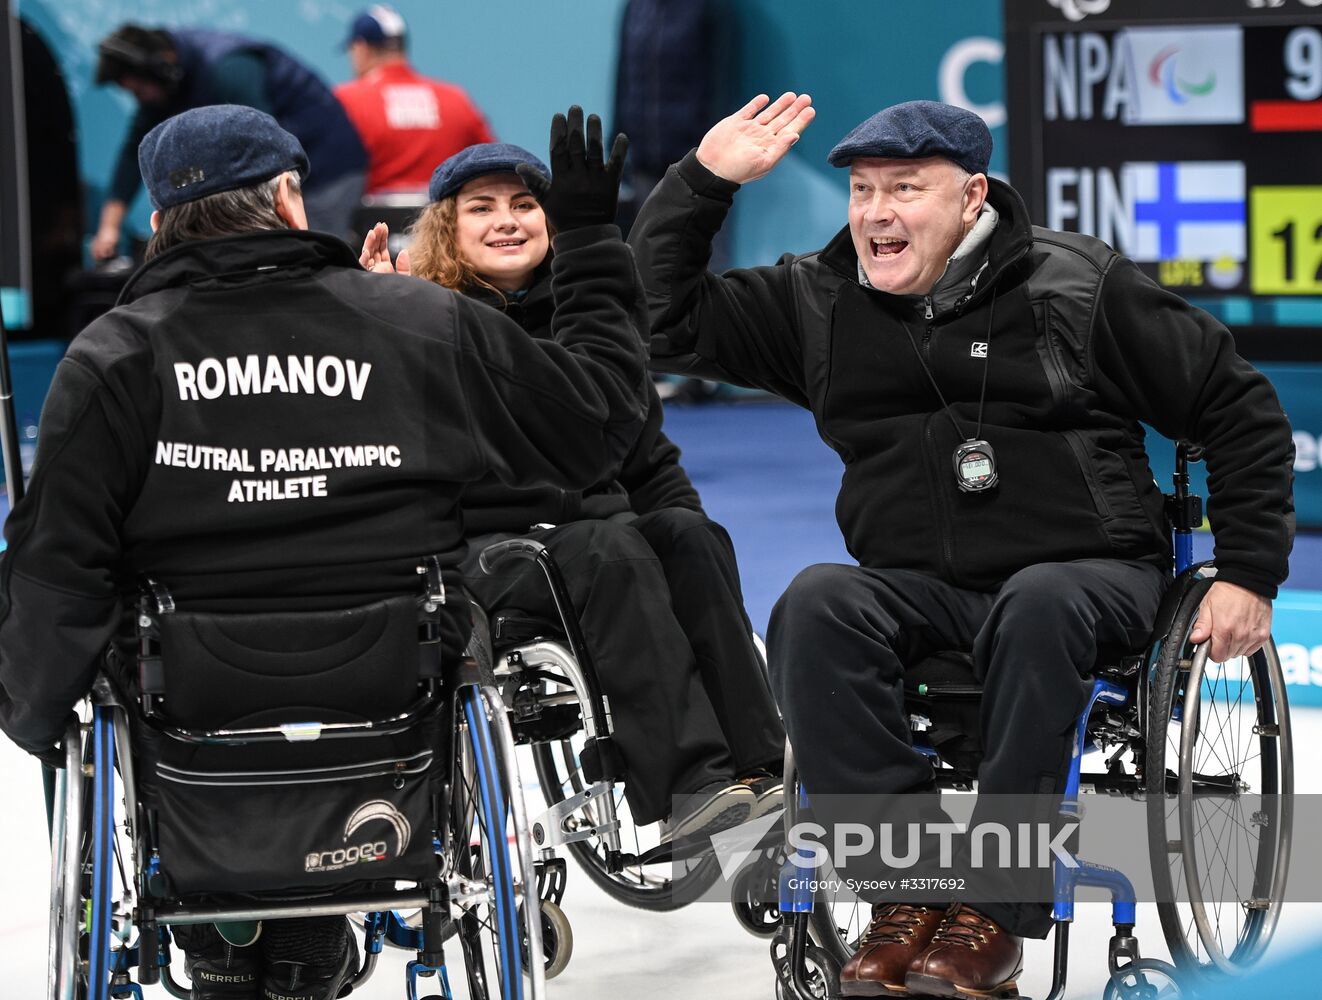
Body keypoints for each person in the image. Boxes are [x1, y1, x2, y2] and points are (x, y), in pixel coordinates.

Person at [628, 95, 1294, 998]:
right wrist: (703, 184)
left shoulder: (1073, 286)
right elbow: (654, 319)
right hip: (921, 591)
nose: (876, 213)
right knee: (818, 601)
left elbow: (1236, 407)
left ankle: (994, 914)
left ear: (972, 194)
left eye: (905, 188)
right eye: (862, 191)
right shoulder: (819, 302)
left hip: (1091, 580)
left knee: (1041, 601)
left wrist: (1247, 572)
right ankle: (912, 896)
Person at [0, 103, 645, 1000]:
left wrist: (31, 709)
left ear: (157, 228)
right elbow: (599, 424)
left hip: (187, 691)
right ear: (292, 198)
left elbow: (57, 564)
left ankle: (241, 922)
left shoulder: (115, 357)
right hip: (394, 675)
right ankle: (306, 928)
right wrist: (591, 242)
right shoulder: (415, 320)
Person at [358, 141, 786, 841]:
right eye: (483, 207)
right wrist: (378, 322)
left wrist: (682, 540)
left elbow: (648, 459)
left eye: (525, 205)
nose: (508, 220)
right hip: (479, 554)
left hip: (594, 540)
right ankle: (688, 789)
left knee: (688, 535)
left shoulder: (593, 317)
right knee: (609, 547)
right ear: (447, 228)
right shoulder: (425, 318)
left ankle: (762, 776)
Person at [90, 23, 368, 257]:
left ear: (163, 65)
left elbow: (264, 147)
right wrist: (109, 229)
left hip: (327, 166)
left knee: (307, 257)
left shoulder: (228, 68)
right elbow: (131, 154)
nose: (142, 100)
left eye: (140, 90)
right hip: (284, 167)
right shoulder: (162, 86)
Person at [334, 5, 497, 195]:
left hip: (372, 222)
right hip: (441, 219)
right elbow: (492, 163)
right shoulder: (455, 100)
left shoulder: (346, 100)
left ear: (360, 48)